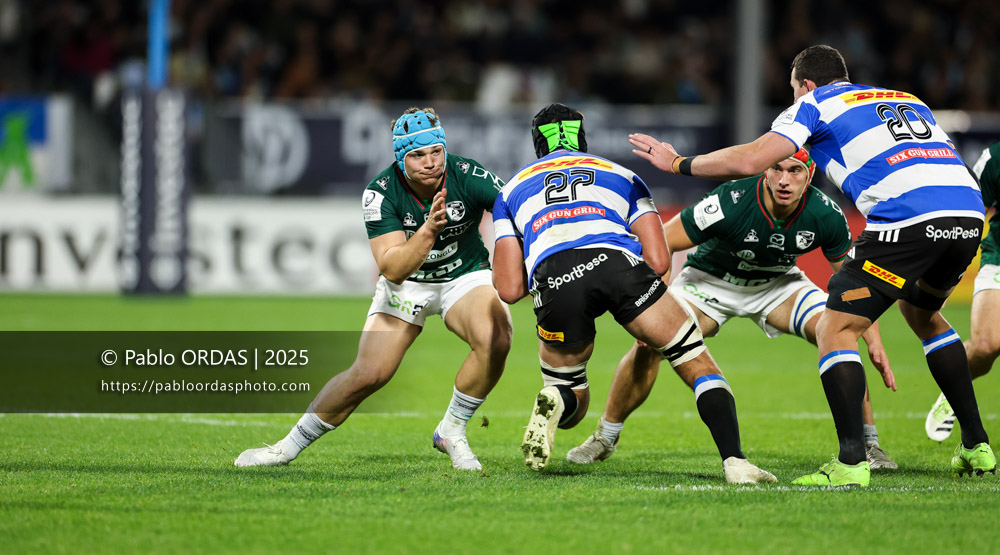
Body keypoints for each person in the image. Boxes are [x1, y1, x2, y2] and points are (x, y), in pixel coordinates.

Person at [628, 45, 995, 487]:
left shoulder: (815, 103)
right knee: (923, 315)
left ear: (805, 84)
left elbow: (750, 160)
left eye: (792, 90)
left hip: (907, 215)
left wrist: (677, 163)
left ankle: (851, 462)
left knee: (834, 329)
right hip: (967, 214)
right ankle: (976, 444)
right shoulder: (904, 98)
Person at [491, 103, 776, 484]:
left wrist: (552, 269)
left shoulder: (509, 191)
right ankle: (736, 463)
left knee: (570, 393)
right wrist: (641, 297)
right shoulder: (623, 175)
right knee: (695, 360)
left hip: (555, 276)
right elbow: (658, 260)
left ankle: (557, 398)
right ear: (581, 137)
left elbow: (509, 289)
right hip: (618, 263)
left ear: (537, 143)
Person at [566, 149, 899, 469]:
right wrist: (655, 304)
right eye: (777, 168)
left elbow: (852, 286)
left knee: (840, 334)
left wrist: (874, 341)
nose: (784, 180)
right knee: (649, 346)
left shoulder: (826, 214)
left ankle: (868, 444)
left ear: (809, 175)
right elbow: (663, 241)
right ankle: (605, 437)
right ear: (765, 170)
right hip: (709, 282)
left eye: (795, 170)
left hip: (778, 285)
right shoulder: (731, 200)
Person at [235, 108, 512, 471]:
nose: (430, 163)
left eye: (436, 151)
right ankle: (284, 449)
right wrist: (428, 230)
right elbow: (393, 268)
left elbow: (516, 208)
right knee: (369, 374)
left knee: (497, 337)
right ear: (400, 158)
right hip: (406, 284)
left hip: (464, 275)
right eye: (418, 155)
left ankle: (452, 430)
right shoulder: (380, 193)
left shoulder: (468, 175)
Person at [925, 140, 1000, 441]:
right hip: (999, 259)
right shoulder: (995, 158)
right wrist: (944, 274)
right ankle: (953, 391)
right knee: (985, 344)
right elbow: (970, 214)